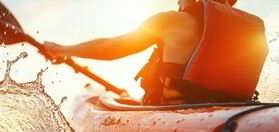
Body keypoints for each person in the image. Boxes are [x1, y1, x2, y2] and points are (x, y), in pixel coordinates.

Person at [43, 0, 268, 105]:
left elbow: (110, 48)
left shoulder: (171, 21)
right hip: (229, 115)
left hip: (176, 119)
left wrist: (61, 49)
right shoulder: (251, 32)